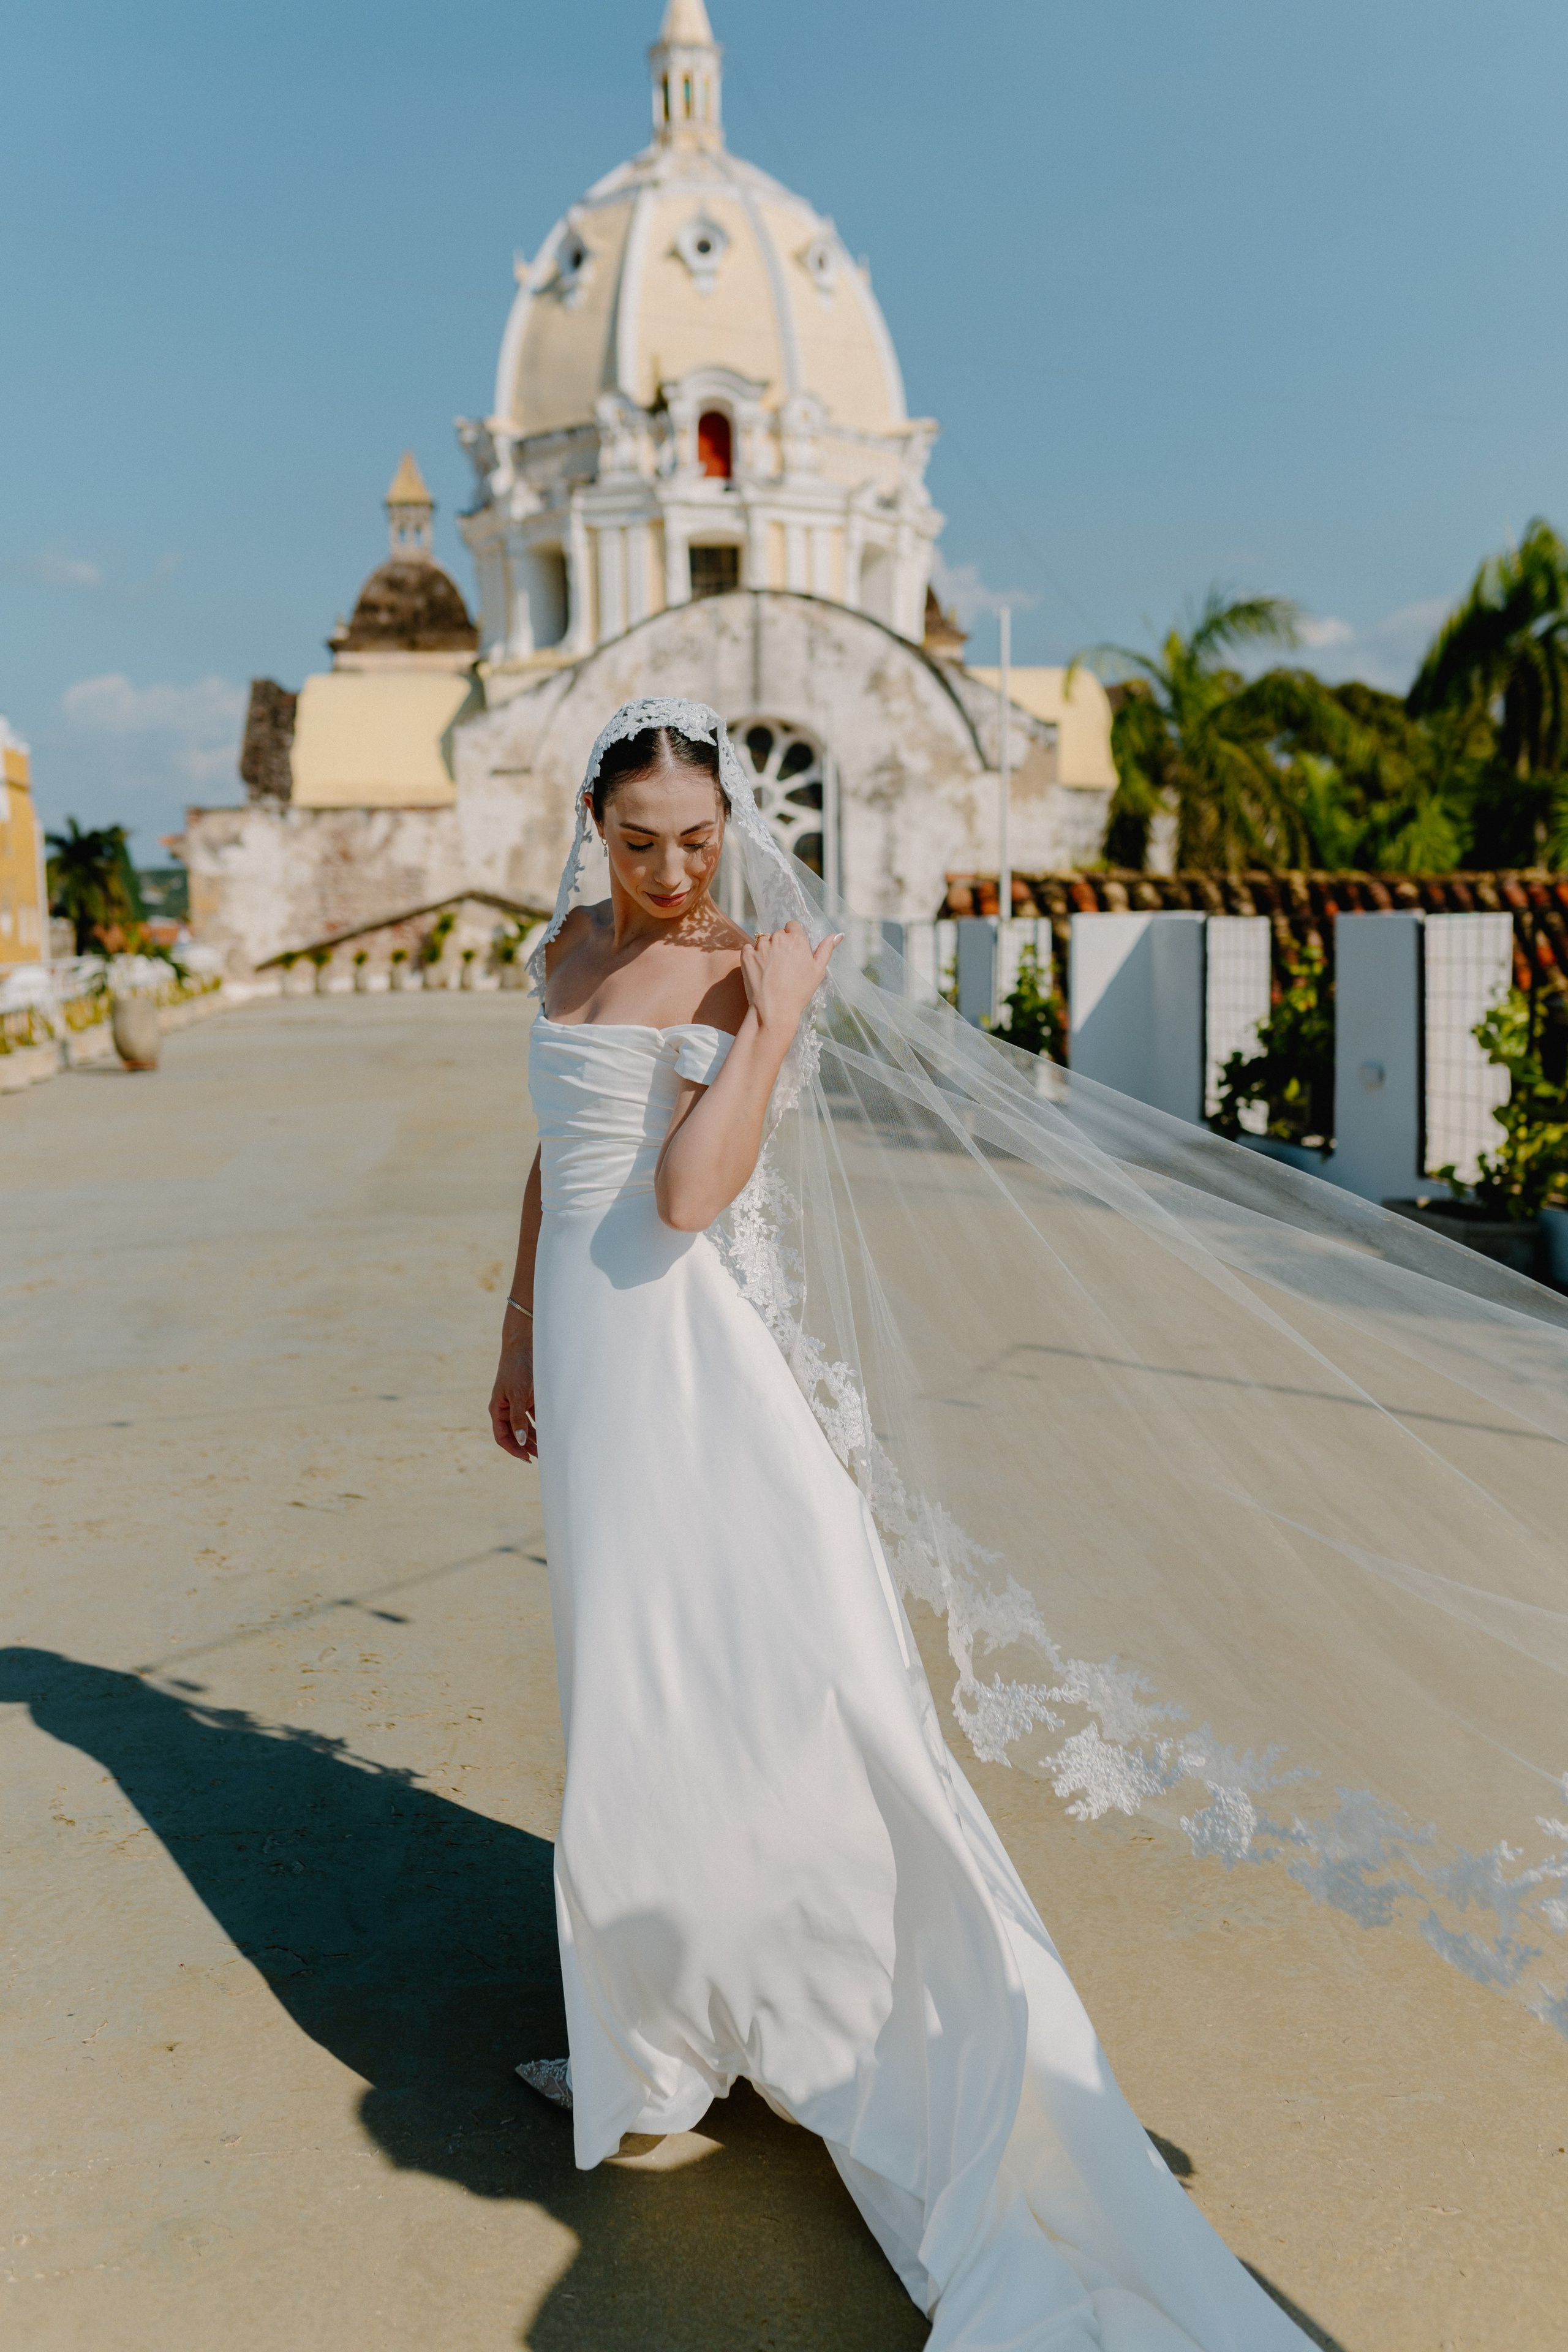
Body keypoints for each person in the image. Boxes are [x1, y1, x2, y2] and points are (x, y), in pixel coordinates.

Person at [488, 698, 1313, 2350]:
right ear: (594, 825)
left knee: (746, 1680)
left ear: (730, 824)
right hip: (584, 1358)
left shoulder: (740, 962)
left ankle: (809, 2000)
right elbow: (553, 1155)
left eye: (697, 841)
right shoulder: (562, 948)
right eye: (639, 842)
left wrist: (778, 1020)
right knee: (630, 1686)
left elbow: (688, 1195)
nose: (669, 873)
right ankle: (660, 2028)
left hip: (680, 1361)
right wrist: (512, 1330)